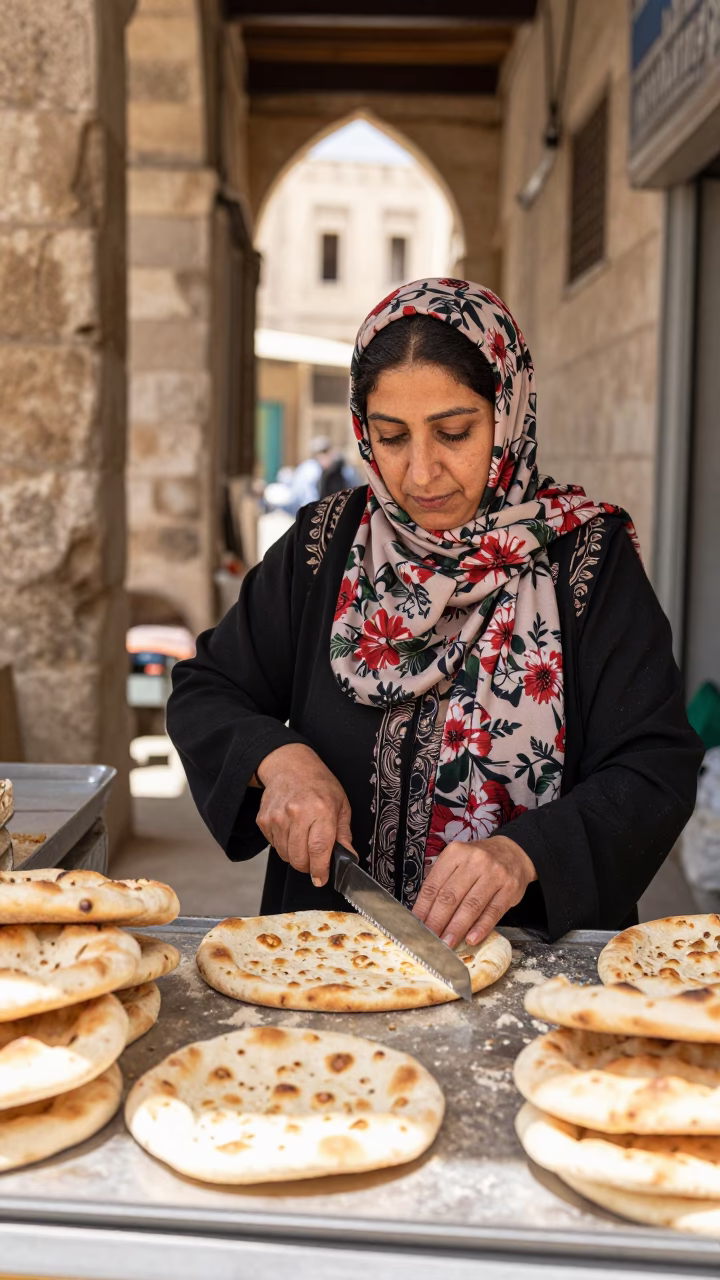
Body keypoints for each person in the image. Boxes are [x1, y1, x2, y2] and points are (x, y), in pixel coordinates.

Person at [168, 278, 703, 945]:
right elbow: (207, 689)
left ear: (507, 414)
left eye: (454, 433)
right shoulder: (324, 545)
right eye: (391, 437)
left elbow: (653, 765)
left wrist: (525, 853)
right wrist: (276, 759)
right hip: (327, 957)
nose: (421, 474)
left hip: (531, 968)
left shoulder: (586, 560)